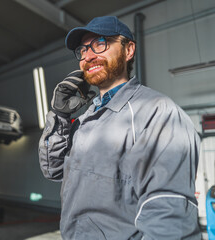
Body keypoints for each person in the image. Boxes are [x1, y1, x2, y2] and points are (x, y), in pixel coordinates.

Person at [38, 16, 201, 240]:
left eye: (100, 43)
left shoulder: (156, 113)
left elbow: (168, 217)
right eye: (82, 49)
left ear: (128, 50)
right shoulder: (88, 117)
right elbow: (53, 170)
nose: (88, 55)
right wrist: (60, 115)